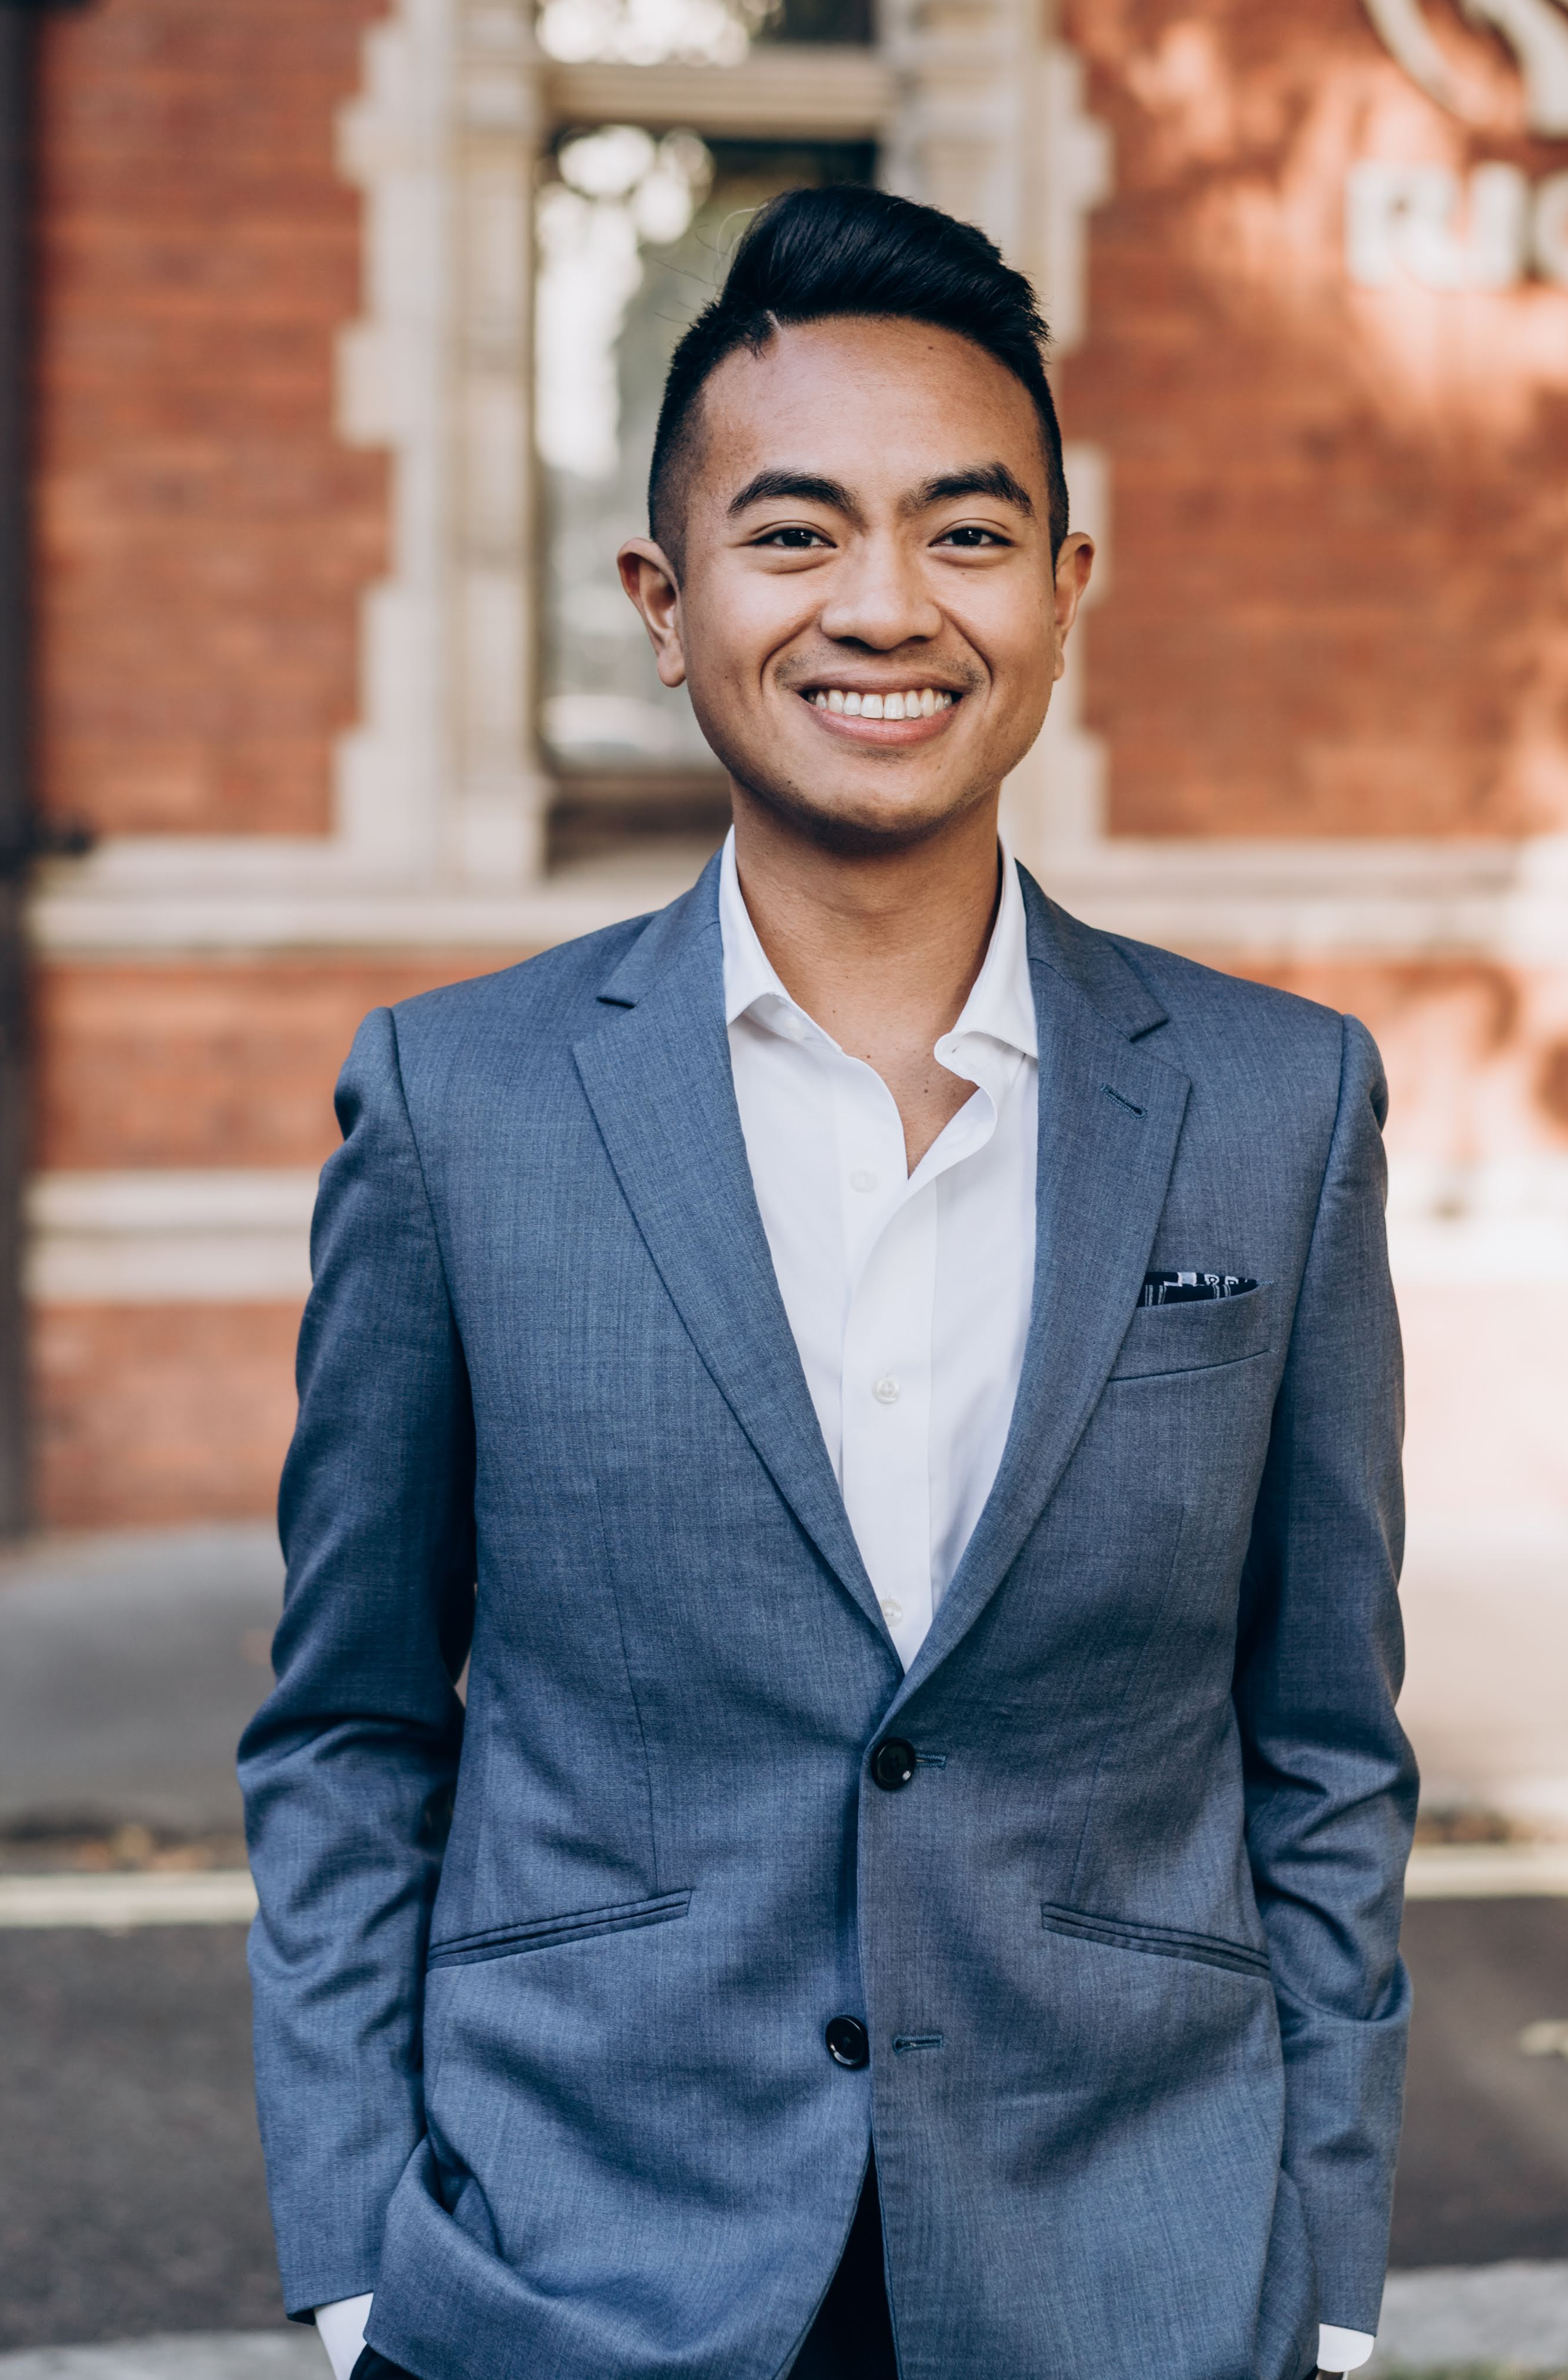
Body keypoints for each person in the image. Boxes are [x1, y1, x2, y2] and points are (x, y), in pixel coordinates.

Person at [241, 184, 1416, 2380]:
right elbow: (349, 1726)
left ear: (1064, 596)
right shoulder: (455, 1105)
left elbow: (1323, 1738)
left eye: (967, 534)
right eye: (794, 536)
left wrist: (1325, 2273)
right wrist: (354, 2264)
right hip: (569, 2278)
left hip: (1134, 2284)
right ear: (664, 606)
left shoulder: (1283, 1104)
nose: (886, 607)